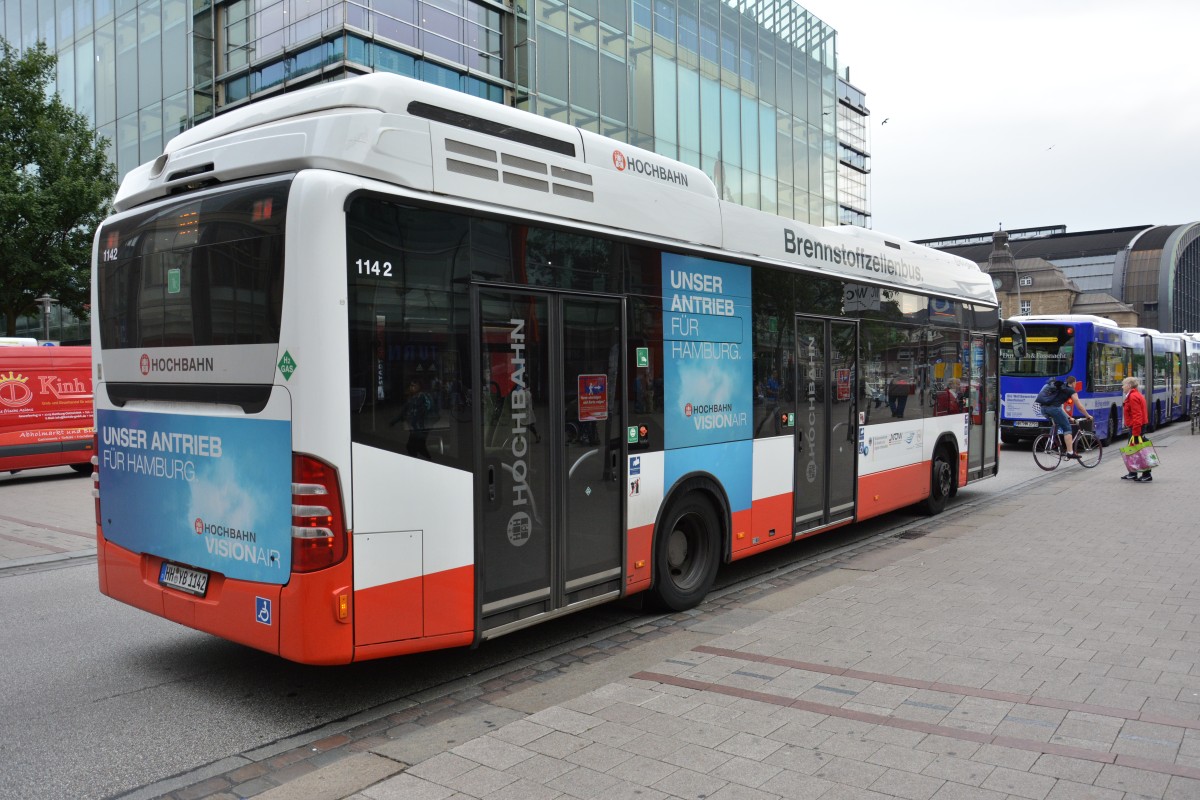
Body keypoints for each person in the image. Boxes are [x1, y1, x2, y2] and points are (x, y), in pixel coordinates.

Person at [1036, 375, 1093, 460]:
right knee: (1067, 428)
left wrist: (1069, 418)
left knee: (1056, 424)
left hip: (1043, 409)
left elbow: (1060, 408)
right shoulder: (1071, 390)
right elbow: (1079, 406)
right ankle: (1070, 452)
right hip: (1054, 409)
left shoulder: (1060, 387)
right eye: (1075, 383)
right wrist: (1087, 415)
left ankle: (1051, 444)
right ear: (1074, 383)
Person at [1120, 376, 1151, 482]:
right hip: (1135, 426)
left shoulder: (1133, 397)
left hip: (1136, 427)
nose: (1122, 387)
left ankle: (1146, 474)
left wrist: (1136, 432)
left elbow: (1137, 415)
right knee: (1133, 450)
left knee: (1140, 451)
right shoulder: (1134, 395)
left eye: (1123, 385)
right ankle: (1133, 472)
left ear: (1129, 386)